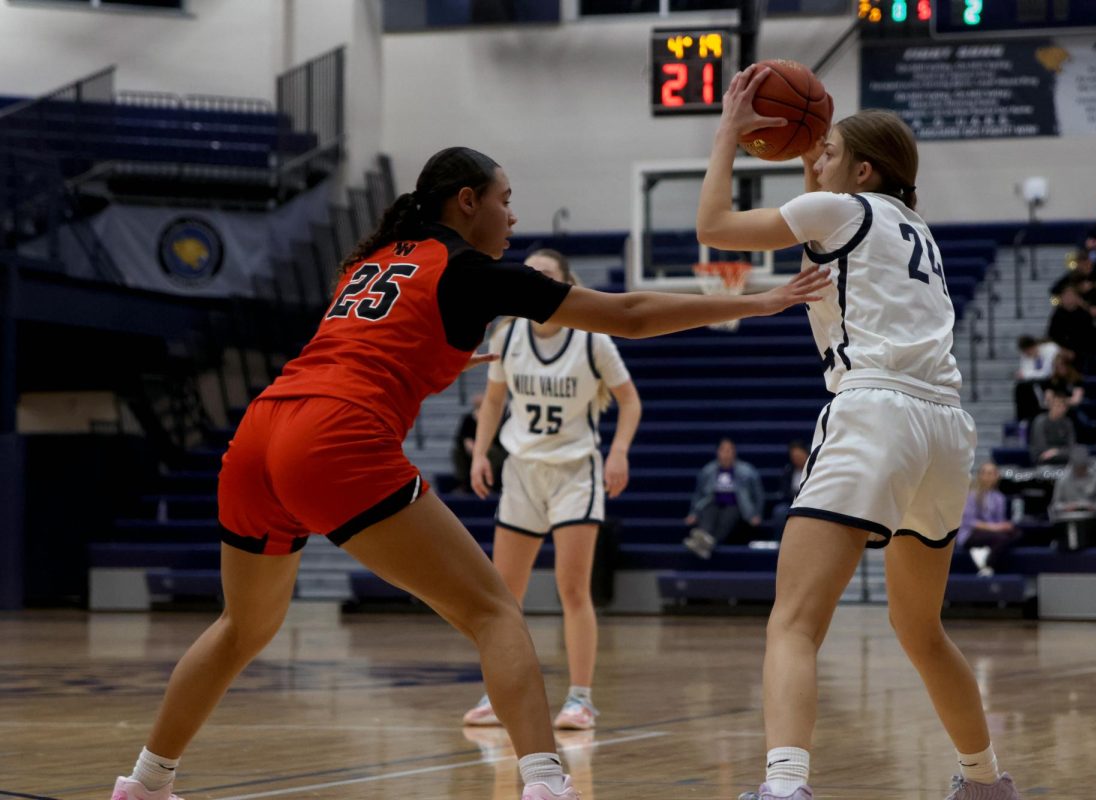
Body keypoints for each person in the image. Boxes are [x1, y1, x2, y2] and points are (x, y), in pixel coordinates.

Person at [107, 146, 831, 800]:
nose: (513, 215)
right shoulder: (470, 273)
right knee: (494, 612)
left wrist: (446, 358)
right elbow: (631, 313)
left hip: (260, 434)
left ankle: (144, 783)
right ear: (466, 202)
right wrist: (759, 300)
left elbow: (369, 344)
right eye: (504, 198)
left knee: (240, 626)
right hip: (332, 439)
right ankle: (545, 784)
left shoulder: (373, 260)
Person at [695, 69, 1024, 800]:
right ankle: (985, 782)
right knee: (922, 632)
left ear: (863, 170)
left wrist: (727, 134)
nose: (815, 156)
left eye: (830, 147)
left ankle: (784, 788)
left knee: (794, 623)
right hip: (945, 429)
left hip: (875, 409)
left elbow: (714, 227)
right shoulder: (920, 231)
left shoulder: (840, 209)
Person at [462, 248, 642, 732]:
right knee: (504, 596)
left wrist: (619, 451)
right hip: (521, 471)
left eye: (546, 275)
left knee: (572, 590)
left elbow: (629, 401)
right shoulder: (507, 334)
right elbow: (494, 400)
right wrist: (481, 454)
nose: (535, 280)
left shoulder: (591, 341)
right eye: (531, 274)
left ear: (563, 283)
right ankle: (496, 694)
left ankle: (581, 699)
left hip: (573, 472)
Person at [682, 437, 766, 559]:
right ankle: (705, 538)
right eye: (723, 450)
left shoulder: (747, 471)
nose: (726, 453)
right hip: (713, 503)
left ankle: (705, 543)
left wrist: (756, 513)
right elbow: (699, 494)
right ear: (718, 452)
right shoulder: (708, 471)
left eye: (729, 450)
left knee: (730, 512)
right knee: (708, 509)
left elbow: (758, 494)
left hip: (736, 506)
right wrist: (693, 513)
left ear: (734, 452)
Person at [957, 462, 1021, 576]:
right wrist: (996, 528)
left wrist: (1005, 526)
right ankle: (987, 564)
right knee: (1001, 538)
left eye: (991, 473)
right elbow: (969, 522)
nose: (988, 476)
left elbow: (999, 520)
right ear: (980, 475)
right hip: (970, 533)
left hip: (992, 532)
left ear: (997, 476)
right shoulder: (971, 495)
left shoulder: (999, 497)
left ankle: (985, 551)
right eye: (985, 473)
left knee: (1016, 533)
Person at [452, 392, 506, 493]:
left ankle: (489, 484)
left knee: (493, 453)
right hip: (473, 449)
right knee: (457, 452)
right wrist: (473, 448)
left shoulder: (496, 419)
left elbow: (498, 439)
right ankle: (464, 484)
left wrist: (481, 449)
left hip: (491, 449)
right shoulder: (468, 419)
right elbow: (464, 438)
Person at [1049, 445, 1096, 520]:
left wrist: (1093, 507)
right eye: (1078, 468)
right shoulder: (1063, 479)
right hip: (1068, 518)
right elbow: (1055, 505)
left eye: (1083, 467)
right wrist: (1067, 507)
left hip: (1092, 518)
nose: (1080, 470)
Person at [1013, 335, 1058, 422]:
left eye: (1028, 352)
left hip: (1053, 380)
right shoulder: (1025, 355)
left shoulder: (1050, 349)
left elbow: (1047, 372)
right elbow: (1024, 372)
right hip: (1036, 382)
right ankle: (1024, 418)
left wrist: (1027, 374)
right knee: (1021, 387)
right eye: (1025, 353)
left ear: (1033, 346)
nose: (1027, 355)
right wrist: (1027, 374)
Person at [1028, 391, 1076, 465]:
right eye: (1057, 406)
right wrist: (1058, 451)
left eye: (1063, 406)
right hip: (1043, 459)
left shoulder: (1067, 423)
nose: (1061, 409)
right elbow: (1041, 447)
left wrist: (1056, 452)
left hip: (1063, 458)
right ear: (1051, 406)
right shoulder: (1040, 421)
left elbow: (1071, 447)